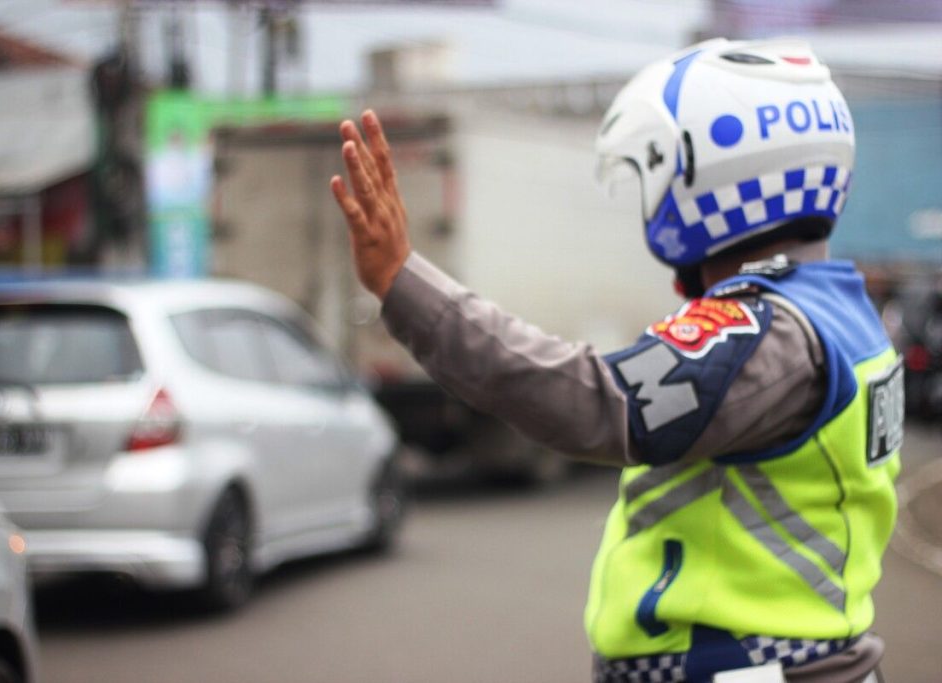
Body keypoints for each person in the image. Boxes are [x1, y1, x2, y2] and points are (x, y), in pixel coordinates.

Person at [330, 37, 901, 683]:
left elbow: (594, 401)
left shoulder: (767, 332)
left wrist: (402, 282)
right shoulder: (840, 313)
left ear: (708, 176)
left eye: (653, 175)